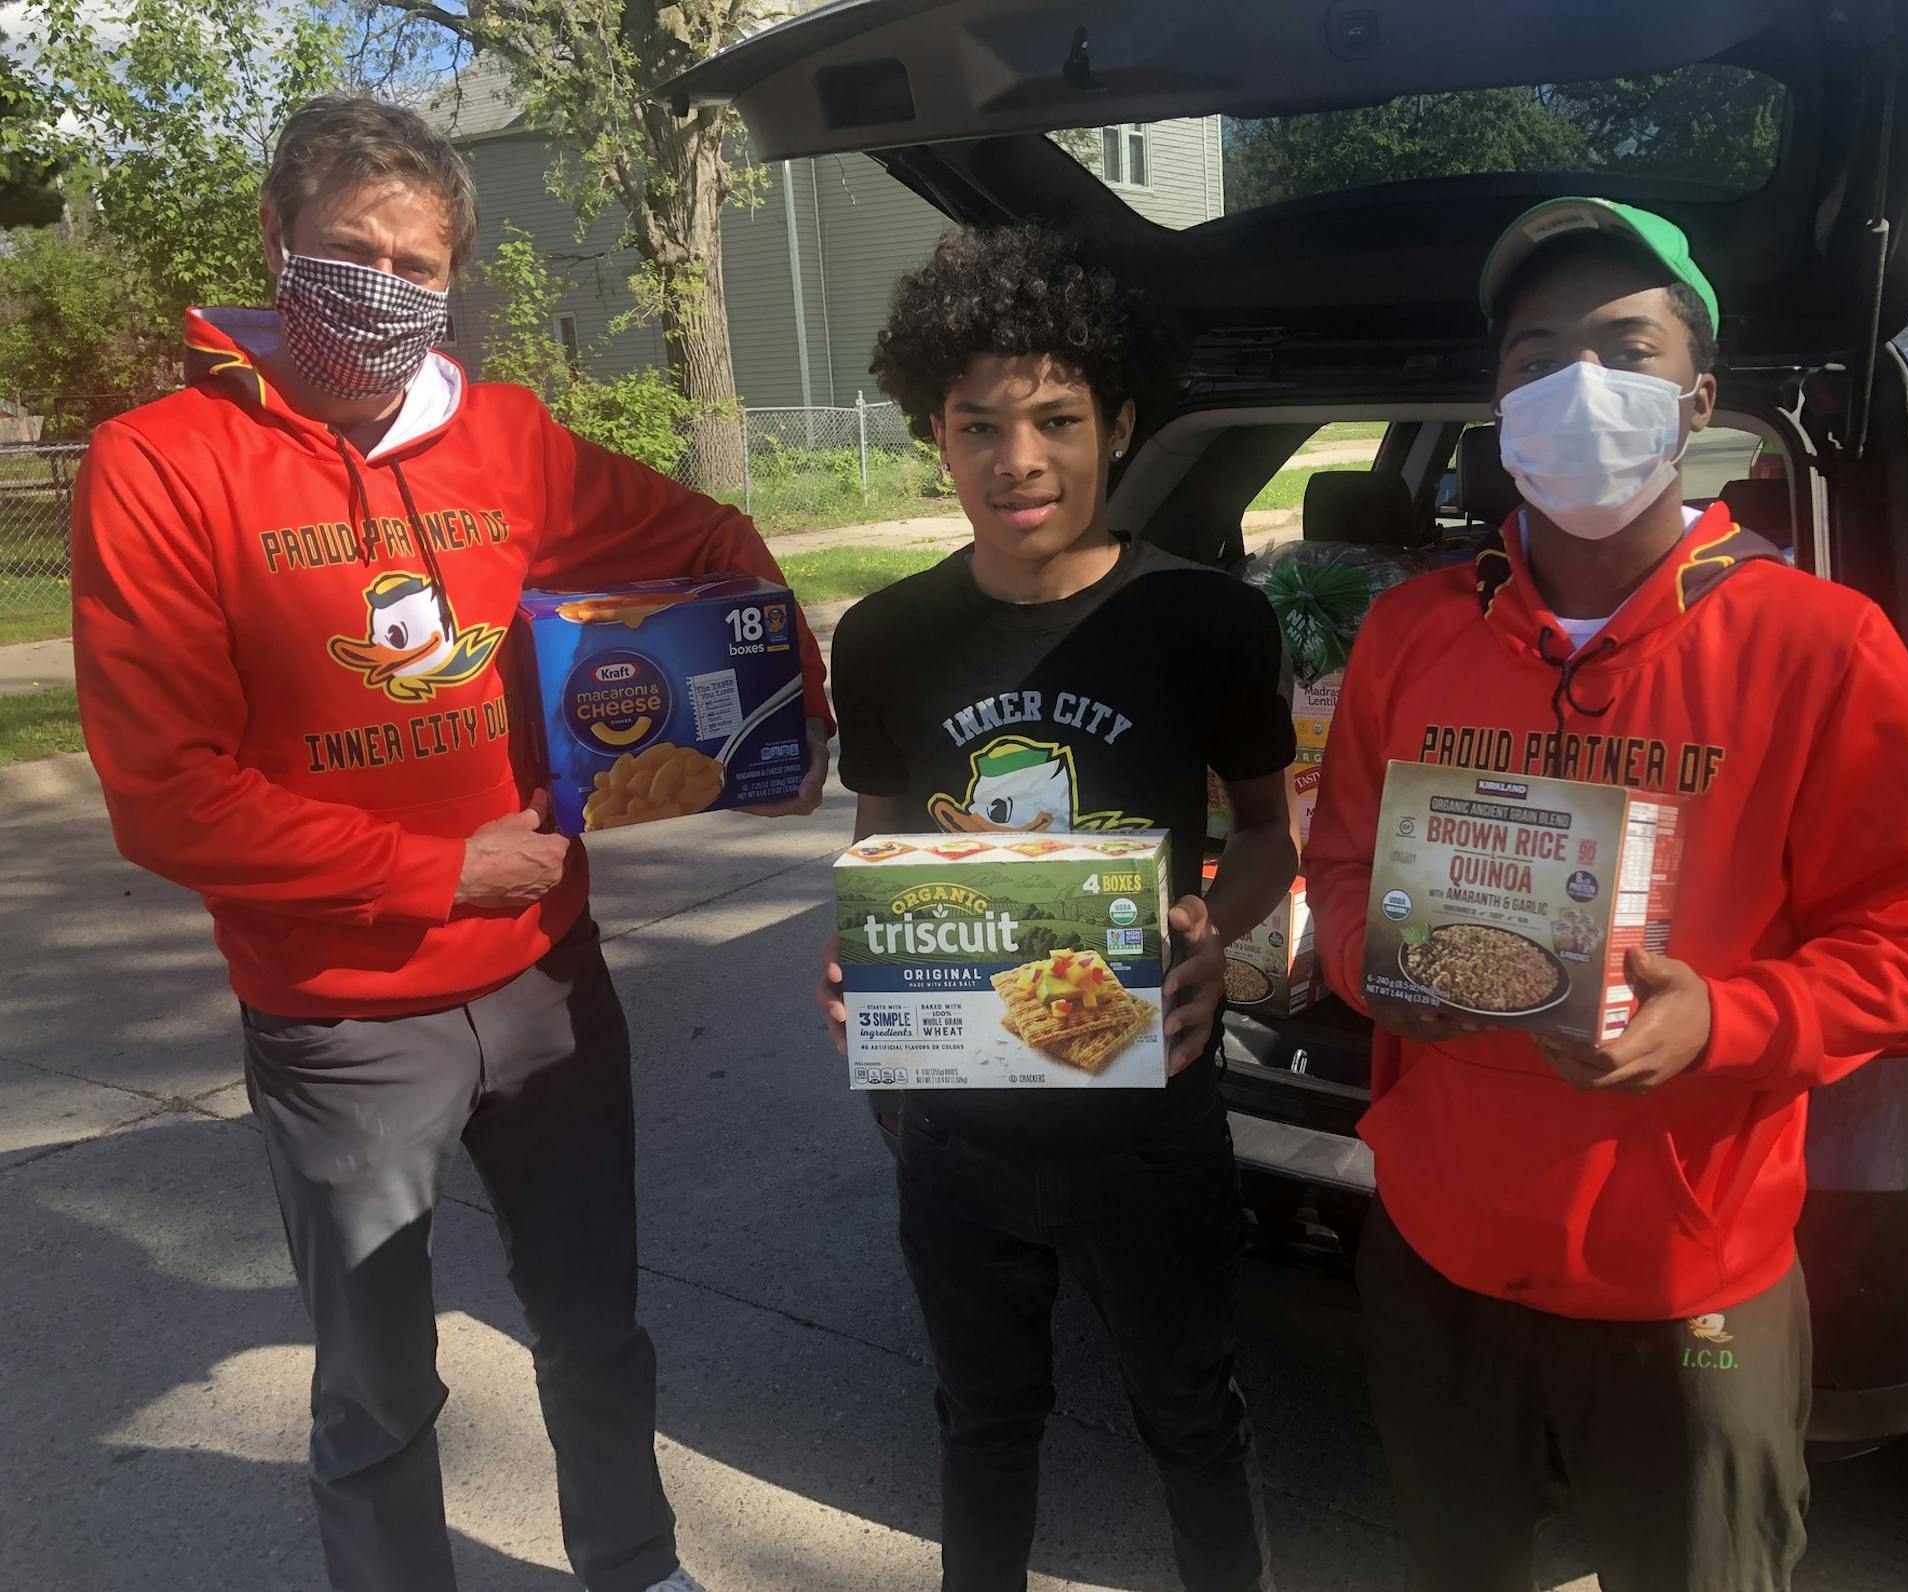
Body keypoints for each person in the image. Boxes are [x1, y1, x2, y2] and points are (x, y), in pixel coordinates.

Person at [70, 95, 831, 1592]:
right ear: (277, 245)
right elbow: (165, 792)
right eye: (352, 251)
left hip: (549, 981)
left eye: (420, 266)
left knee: (596, 1332)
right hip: (341, 1018)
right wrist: (435, 870)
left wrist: (780, 711)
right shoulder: (161, 465)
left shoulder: (505, 440)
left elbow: (708, 539)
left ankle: (637, 1567)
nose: (385, 288)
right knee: (376, 1385)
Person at [1303, 198, 1908, 1591]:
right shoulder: (1412, 634)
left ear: (1696, 399)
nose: (1575, 387)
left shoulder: (1819, 646)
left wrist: (1729, 1023)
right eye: (1533, 356)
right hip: (1438, 1253)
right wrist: (1369, 969)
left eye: (1623, 347)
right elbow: (1338, 864)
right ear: (1497, 405)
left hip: (1689, 1282)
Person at [812, 224, 1297, 1592]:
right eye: (978, 426)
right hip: (957, 1136)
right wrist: (852, 965)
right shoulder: (890, 636)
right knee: (981, 1420)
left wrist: (1212, 932)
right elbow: (883, 848)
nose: (1017, 458)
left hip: (1153, 1125)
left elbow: (1267, 837)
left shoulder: (1208, 622)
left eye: (1057, 420)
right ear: (935, 435)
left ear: (1120, 424)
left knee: (1192, 1419)